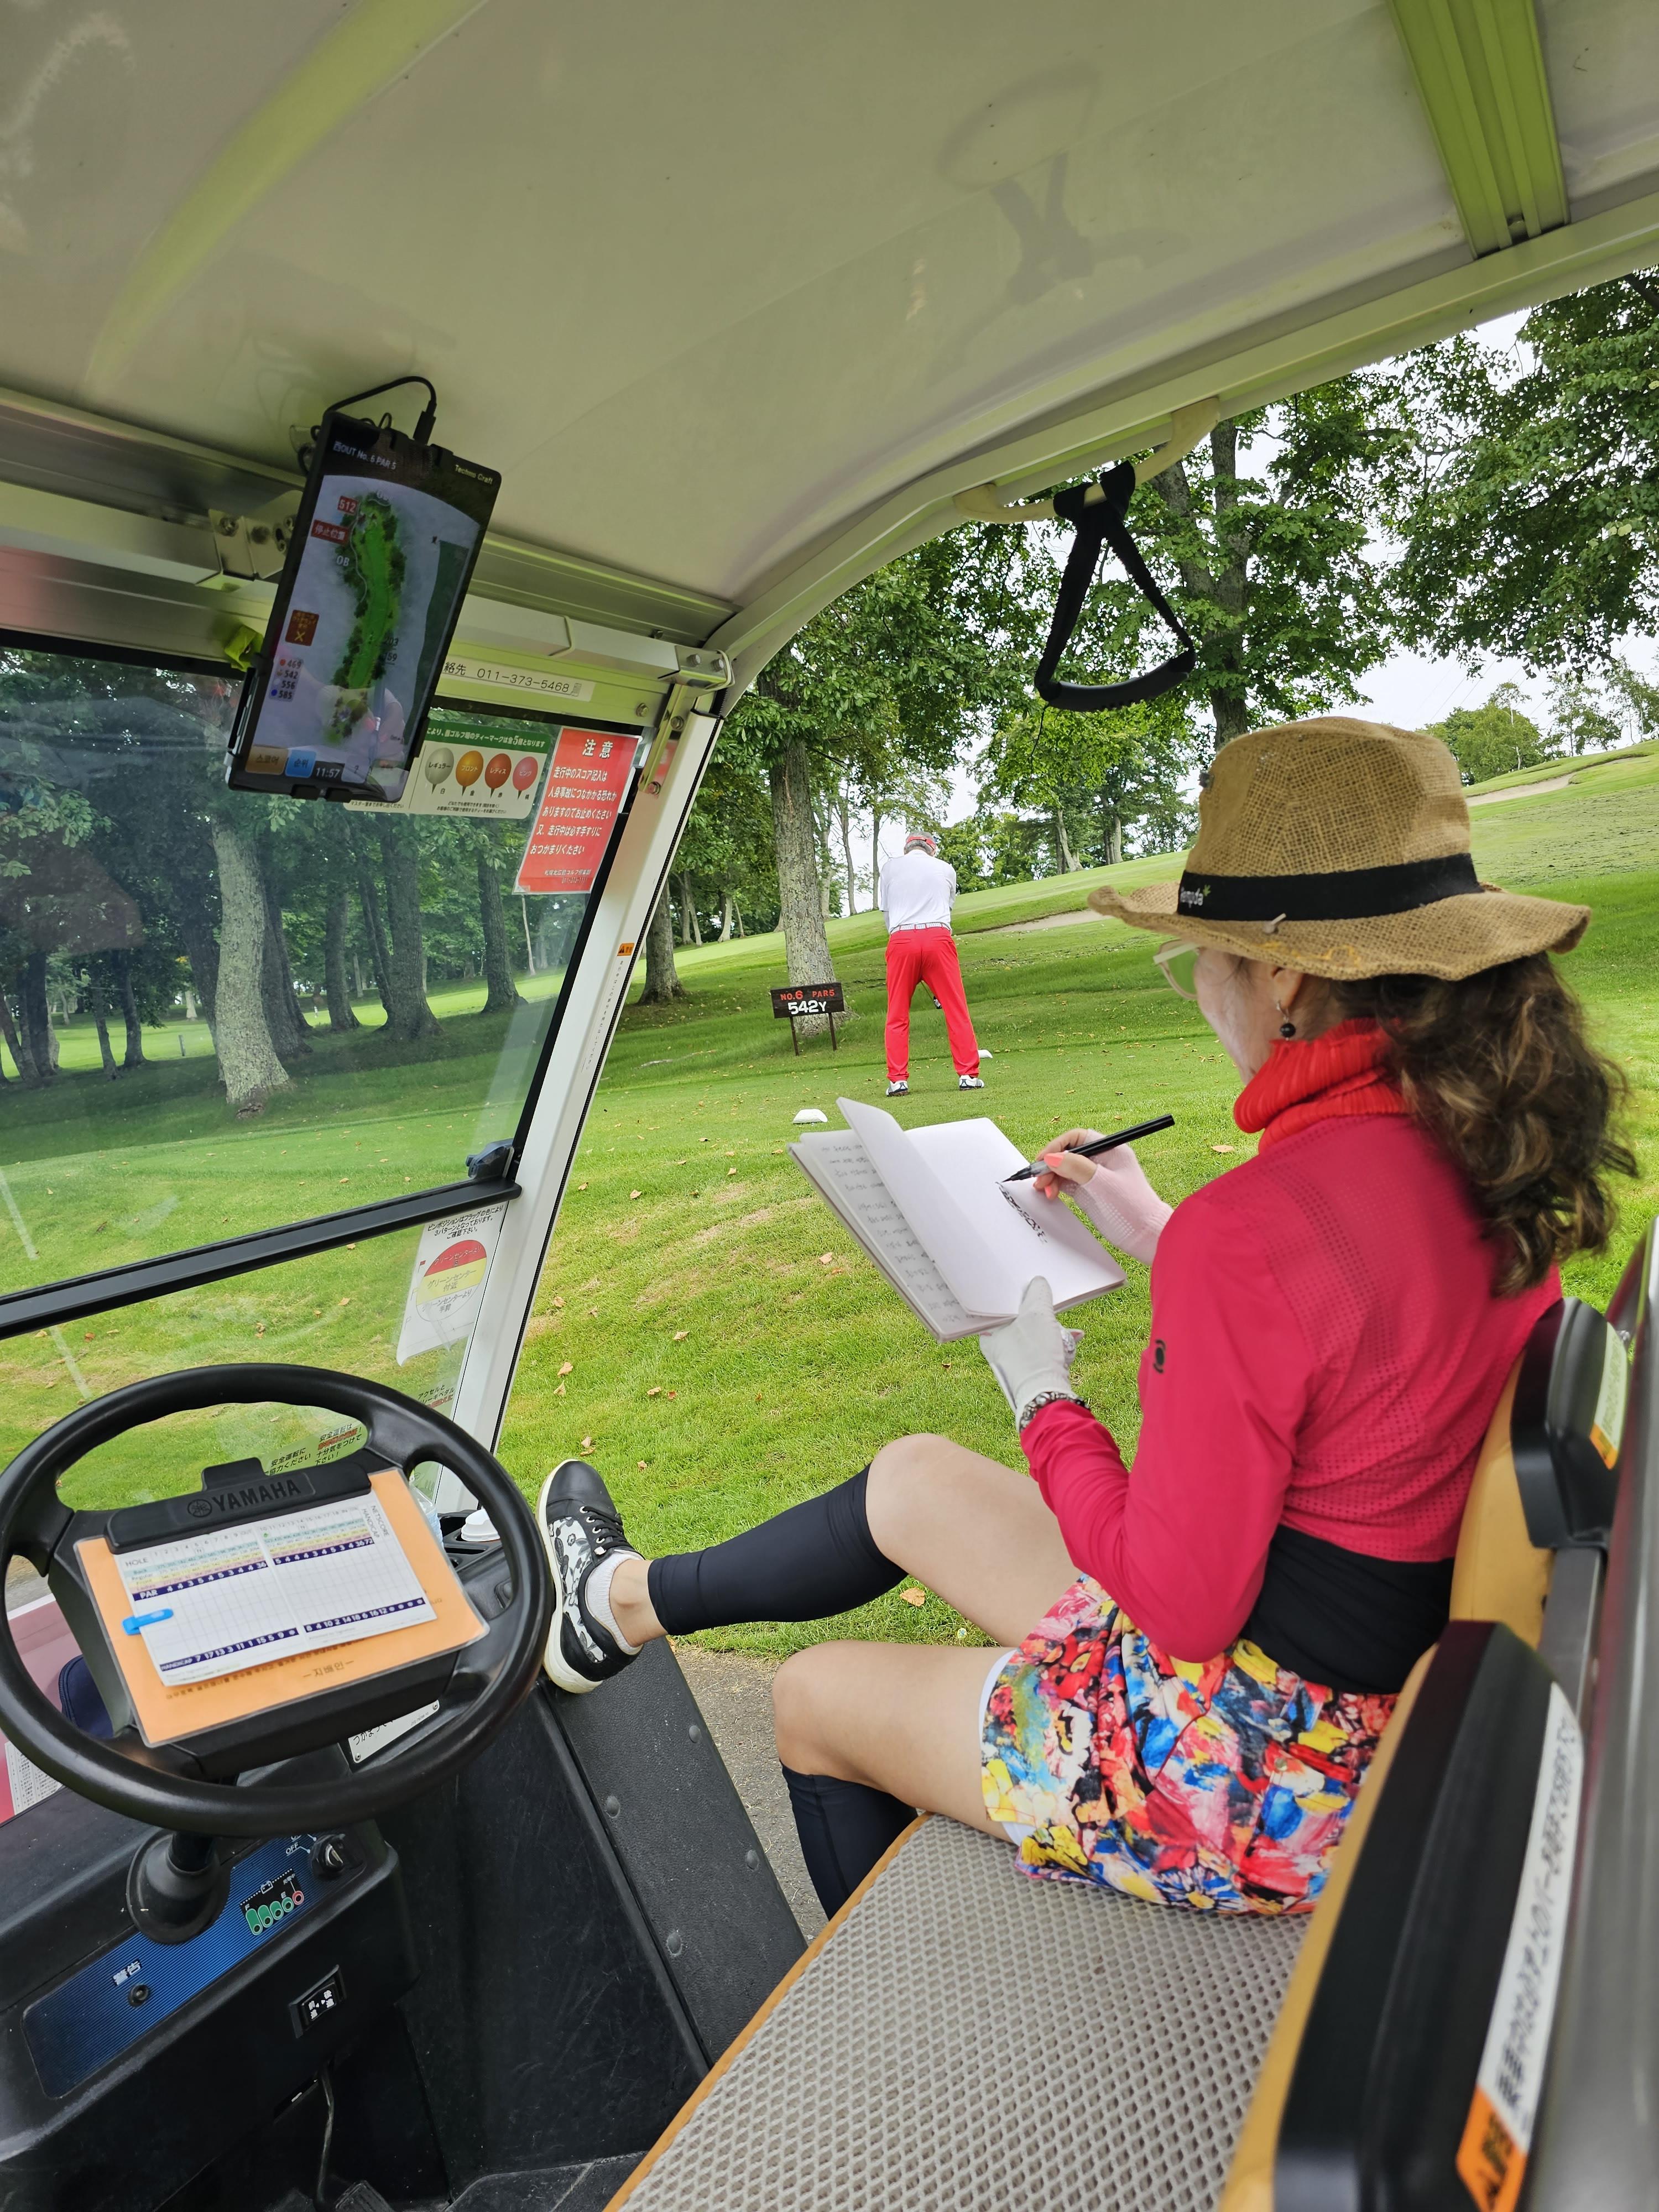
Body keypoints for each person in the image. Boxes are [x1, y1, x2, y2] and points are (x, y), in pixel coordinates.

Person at [535, 717, 1631, 1921]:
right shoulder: (1476, 1147)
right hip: (1356, 1674)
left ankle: (920, 2000)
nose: (1199, 982)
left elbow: (1180, 1601)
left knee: (813, 1697)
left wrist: (1043, 1396)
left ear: (1286, 979)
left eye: (1202, 952)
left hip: (1264, 1761)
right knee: (912, 1477)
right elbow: (1362, 1330)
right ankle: (619, 1606)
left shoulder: (1258, 1229)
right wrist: (1155, 1229)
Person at [877, 829, 982, 1095]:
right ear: (932, 849)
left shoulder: (889, 868)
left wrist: (902, 939)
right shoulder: (946, 868)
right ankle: (968, 1076)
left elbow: (887, 915)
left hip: (901, 940)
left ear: (907, 848)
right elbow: (947, 908)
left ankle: (898, 1081)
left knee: (897, 1014)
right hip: (938, 937)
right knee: (956, 1009)